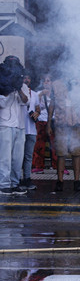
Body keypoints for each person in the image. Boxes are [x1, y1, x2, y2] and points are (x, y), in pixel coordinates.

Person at [48, 74, 80, 192]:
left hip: (77, 123)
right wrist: (49, 123)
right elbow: (52, 104)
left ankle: (77, 181)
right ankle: (60, 181)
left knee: (76, 153)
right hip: (61, 124)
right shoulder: (56, 85)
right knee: (61, 153)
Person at [0, 56, 29, 195]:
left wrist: (18, 88)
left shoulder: (22, 86)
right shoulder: (2, 85)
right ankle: (4, 184)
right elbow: (2, 103)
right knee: (5, 157)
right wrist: (8, 89)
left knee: (18, 158)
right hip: (5, 124)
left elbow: (26, 101)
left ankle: (15, 183)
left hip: (20, 126)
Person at [19, 73, 40, 190]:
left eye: (28, 78)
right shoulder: (17, 92)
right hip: (20, 127)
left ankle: (27, 178)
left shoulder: (35, 94)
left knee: (28, 156)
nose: (26, 80)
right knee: (17, 156)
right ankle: (16, 179)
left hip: (31, 129)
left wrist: (37, 113)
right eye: (24, 78)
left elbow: (38, 108)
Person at [32, 74, 53, 173]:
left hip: (52, 121)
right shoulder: (38, 93)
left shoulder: (55, 94)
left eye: (48, 81)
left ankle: (58, 166)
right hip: (41, 121)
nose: (46, 82)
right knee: (39, 145)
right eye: (45, 81)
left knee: (55, 144)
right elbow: (34, 105)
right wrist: (41, 95)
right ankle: (38, 165)